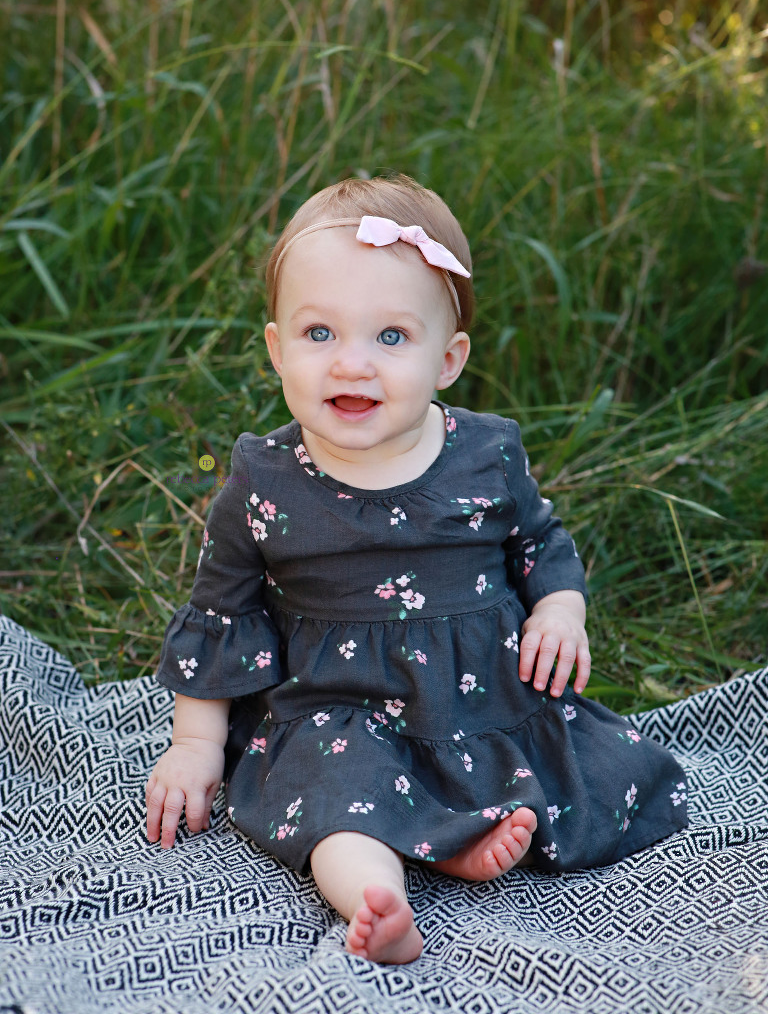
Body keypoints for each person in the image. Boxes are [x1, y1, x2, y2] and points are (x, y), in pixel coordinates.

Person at [146, 174, 689, 965]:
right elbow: (221, 613)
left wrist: (558, 609)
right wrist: (196, 742)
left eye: (391, 338)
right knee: (336, 800)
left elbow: (540, 544)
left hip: (482, 697)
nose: (352, 364)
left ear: (448, 359)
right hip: (339, 710)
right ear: (276, 349)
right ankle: (378, 898)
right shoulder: (264, 483)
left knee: (596, 775)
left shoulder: (486, 455)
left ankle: (456, 844)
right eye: (320, 333)